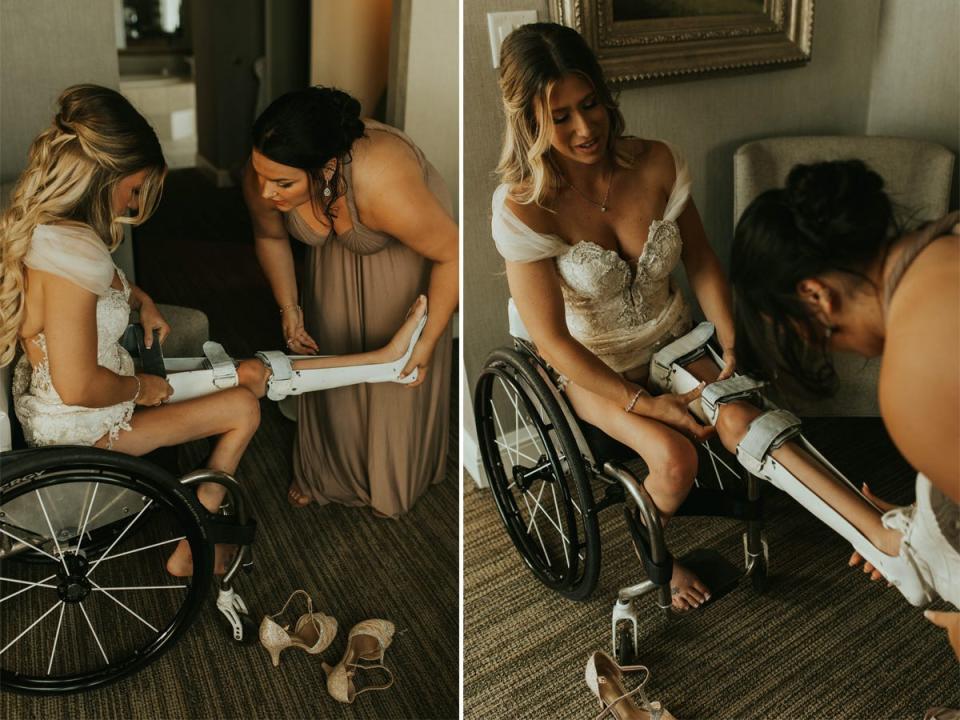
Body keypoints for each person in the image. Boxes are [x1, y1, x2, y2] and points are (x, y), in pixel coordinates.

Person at [0, 85, 434, 576]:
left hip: (86, 399)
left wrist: (140, 302)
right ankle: (195, 543)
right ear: (107, 175)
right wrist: (142, 388)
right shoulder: (69, 256)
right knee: (243, 408)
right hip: (86, 425)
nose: (135, 199)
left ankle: (383, 360)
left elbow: (102, 288)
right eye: (136, 186)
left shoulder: (58, 231)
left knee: (251, 371)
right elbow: (79, 384)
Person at [491, 23, 736, 611]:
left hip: (671, 335)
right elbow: (549, 338)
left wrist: (730, 340)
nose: (584, 128)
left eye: (590, 104)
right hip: (590, 364)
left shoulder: (656, 163)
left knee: (745, 419)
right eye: (561, 116)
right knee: (676, 462)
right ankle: (654, 548)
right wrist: (647, 405)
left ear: (604, 94)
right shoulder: (523, 205)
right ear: (530, 122)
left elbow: (700, 259)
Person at [730, 159, 959, 656]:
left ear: (815, 295)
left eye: (798, 332)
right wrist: (922, 520)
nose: (826, 348)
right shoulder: (949, 240)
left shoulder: (912, 381)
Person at [243, 86, 458, 517]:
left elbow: (453, 254)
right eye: (261, 176)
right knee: (333, 355)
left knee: (396, 372)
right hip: (330, 273)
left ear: (323, 168)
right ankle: (327, 471)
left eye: (282, 184)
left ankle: (389, 477)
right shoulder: (267, 168)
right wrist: (290, 308)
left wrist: (429, 340)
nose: (266, 193)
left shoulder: (381, 179)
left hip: (407, 264)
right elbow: (269, 235)